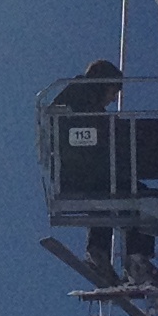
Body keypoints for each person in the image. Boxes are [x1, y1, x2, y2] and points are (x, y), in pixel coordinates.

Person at [53, 59, 128, 276]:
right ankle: (131, 256)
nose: (113, 99)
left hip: (83, 172)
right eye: (113, 91)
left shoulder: (78, 98)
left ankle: (104, 253)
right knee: (126, 192)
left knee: (112, 197)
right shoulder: (80, 98)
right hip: (79, 171)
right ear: (104, 84)